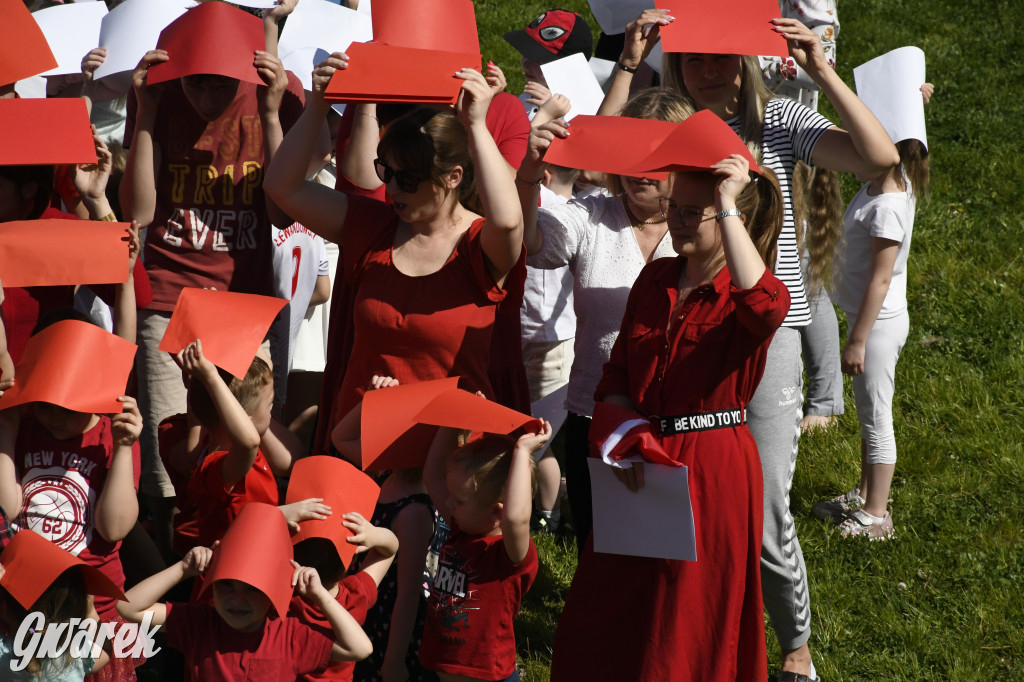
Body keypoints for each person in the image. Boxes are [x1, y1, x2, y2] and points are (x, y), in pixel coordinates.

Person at [599, 11, 900, 678]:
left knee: (761, 513)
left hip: (764, 329)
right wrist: (627, 63)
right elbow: (601, 159)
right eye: (694, 59)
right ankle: (677, 635)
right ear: (676, 61)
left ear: (747, 60)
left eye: (722, 58)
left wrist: (820, 68)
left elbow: (880, 161)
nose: (708, 71)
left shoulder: (778, 123)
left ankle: (794, 649)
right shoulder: (668, 117)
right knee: (667, 494)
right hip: (676, 316)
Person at [551, 152, 789, 681]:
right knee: (605, 604)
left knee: (685, 618)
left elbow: (767, 308)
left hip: (709, 469)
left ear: (732, 219)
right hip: (639, 457)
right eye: (673, 208)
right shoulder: (656, 277)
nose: (675, 221)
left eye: (691, 213)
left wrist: (726, 203)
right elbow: (615, 377)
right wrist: (622, 437)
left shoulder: (746, 288)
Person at [119, 1, 306, 556]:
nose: (205, 98)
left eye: (220, 86)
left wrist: (271, 115)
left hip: (245, 301)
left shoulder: (279, 91)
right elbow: (139, 212)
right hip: (168, 296)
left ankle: (245, 560)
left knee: (248, 440)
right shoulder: (156, 90)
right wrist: (148, 113)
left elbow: (282, 212)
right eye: (195, 84)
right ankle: (177, 569)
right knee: (166, 451)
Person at [264, 54, 524, 428]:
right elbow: (281, 187)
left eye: (409, 180)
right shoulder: (372, 227)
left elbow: (510, 221)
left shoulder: (480, 244)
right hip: (361, 444)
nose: (392, 189)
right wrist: (319, 105)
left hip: (446, 455)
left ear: (453, 178)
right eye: (387, 172)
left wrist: (477, 126)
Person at [516, 87, 690, 551]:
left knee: (670, 560)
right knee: (602, 556)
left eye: (654, 158)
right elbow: (530, 240)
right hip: (598, 416)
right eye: (629, 155)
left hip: (681, 420)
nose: (639, 172)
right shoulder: (591, 216)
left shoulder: (704, 224)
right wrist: (530, 171)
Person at [814, 117, 931, 540]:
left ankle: (878, 516)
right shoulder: (886, 183)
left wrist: (857, 341)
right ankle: (865, 493)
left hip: (876, 327)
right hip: (868, 320)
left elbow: (880, 280)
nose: (853, 157)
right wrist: (915, 102)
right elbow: (908, 133)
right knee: (868, 415)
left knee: (877, 417)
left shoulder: (888, 207)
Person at [116, 541, 373, 681]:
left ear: (273, 593)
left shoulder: (289, 634)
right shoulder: (200, 622)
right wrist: (183, 569)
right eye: (226, 584)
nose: (237, 599)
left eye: (252, 589)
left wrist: (320, 596)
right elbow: (128, 607)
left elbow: (359, 649)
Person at [420, 418, 551, 681]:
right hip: (442, 667)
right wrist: (453, 417)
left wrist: (522, 452)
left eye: (457, 500)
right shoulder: (462, 529)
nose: (447, 502)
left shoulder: (507, 554)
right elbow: (432, 474)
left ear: (496, 511)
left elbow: (516, 519)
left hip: (487, 675)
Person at [290, 512, 399, 682]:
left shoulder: (285, 594)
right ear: (352, 559)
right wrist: (373, 534)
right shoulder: (356, 594)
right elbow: (389, 550)